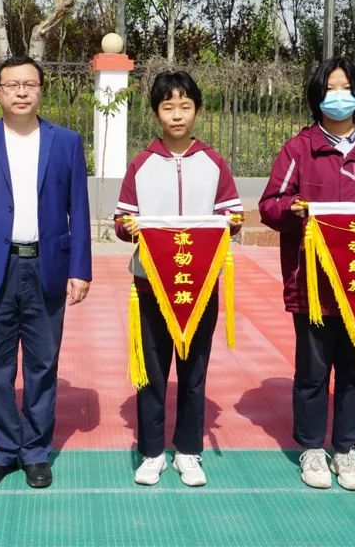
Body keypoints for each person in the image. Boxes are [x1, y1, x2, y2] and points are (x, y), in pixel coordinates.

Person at [258, 56, 355, 492]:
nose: (339, 96)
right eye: (330, 89)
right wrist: (293, 210)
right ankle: (311, 447)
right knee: (312, 371)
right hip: (314, 285)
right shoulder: (299, 150)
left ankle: (345, 448)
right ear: (316, 96)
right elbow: (270, 205)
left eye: (346, 88)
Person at [0, 55, 92, 490]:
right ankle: (1, 450)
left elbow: (79, 210)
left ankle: (35, 451)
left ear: (41, 90)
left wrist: (80, 268)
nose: (21, 92)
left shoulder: (65, 142)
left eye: (29, 84)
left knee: (42, 364)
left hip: (46, 265)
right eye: (12, 85)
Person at [114, 71, 243, 487]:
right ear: (156, 113)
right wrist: (128, 227)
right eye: (168, 106)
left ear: (197, 111)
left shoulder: (213, 162)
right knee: (152, 371)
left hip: (199, 284)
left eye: (185, 106)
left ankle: (188, 450)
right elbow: (122, 220)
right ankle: (151, 452)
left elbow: (230, 215)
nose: (176, 115)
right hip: (150, 284)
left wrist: (233, 222)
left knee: (194, 370)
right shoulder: (141, 163)